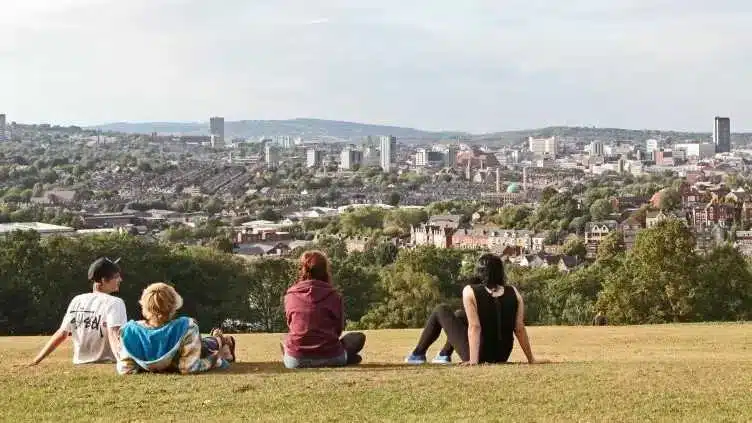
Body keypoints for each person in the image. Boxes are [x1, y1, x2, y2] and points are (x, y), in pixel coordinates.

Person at [405, 253, 545, 365]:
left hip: (479, 355)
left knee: (440, 309)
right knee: (460, 315)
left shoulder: (470, 291)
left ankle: (418, 354)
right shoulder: (514, 292)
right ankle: (444, 354)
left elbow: (475, 327)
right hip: (502, 355)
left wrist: (473, 361)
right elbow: (519, 328)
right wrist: (530, 359)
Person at [117, 282, 235, 374]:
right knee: (204, 346)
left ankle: (220, 341)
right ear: (173, 307)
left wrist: (151, 367)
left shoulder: (130, 331)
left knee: (201, 344)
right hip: (191, 350)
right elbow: (190, 367)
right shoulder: (186, 327)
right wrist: (214, 360)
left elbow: (125, 369)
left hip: (183, 352)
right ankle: (220, 341)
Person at [30, 257, 127, 366]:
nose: (120, 280)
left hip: (80, 363)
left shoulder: (77, 300)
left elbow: (62, 333)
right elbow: (114, 333)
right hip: (107, 362)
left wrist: (36, 360)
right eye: (116, 277)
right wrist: (123, 361)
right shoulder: (115, 302)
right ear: (104, 280)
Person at [283, 250, 366, 369]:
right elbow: (338, 330)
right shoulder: (334, 295)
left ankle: (344, 357)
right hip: (332, 357)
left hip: (296, 360)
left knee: (284, 339)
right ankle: (345, 357)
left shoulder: (290, 295)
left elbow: (291, 325)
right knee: (358, 338)